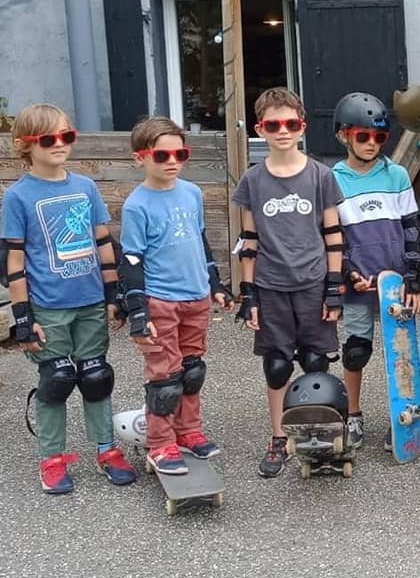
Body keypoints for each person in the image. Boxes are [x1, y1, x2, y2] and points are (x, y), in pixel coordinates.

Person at [1, 103, 136, 494]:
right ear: (25, 145)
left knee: (96, 377)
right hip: (48, 306)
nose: (60, 144)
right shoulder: (19, 197)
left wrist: (114, 294)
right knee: (56, 380)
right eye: (49, 139)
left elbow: (102, 244)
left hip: (90, 301)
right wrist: (22, 315)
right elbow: (14, 259)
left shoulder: (85, 187)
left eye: (67, 136)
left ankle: (107, 450)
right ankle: (52, 458)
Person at [232, 87, 344, 478]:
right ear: (261, 129)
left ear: (302, 126)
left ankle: (321, 437)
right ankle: (279, 438)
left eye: (290, 124)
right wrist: (249, 295)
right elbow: (249, 241)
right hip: (272, 283)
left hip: (313, 282)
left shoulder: (321, 176)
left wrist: (334, 287)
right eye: (273, 124)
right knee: (278, 365)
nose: (283, 131)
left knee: (316, 362)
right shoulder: (252, 180)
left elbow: (333, 234)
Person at [119, 116, 233, 475]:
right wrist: (138, 311)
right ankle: (160, 444)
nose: (171, 161)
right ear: (141, 158)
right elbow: (131, 259)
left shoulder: (192, 192)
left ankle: (188, 431)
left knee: (191, 371)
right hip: (160, 300)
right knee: (164, 378)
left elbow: (200, 241)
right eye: (161, 155)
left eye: (179, 153)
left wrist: (216, 285)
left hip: (196, 296)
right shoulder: (137, 205)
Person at [332, 92, 420, 451]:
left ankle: (400, 416)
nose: (372, 143)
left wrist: (414, 279)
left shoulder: (396, 174)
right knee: (357, 350)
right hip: (359, 281)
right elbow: (332, 238)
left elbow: (413, 230)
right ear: (344, 135)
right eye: (363, 136)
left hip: (396, 284)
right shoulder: (333, 180)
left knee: (400, 351)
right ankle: (353, 416)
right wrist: (346, 272)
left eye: (379, 137)